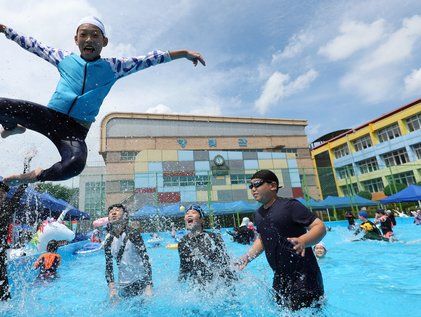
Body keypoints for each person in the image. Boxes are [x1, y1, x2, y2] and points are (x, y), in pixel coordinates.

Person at [0, 17, 205, 185]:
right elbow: (34, 46)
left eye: (95, 35)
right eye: (84, 35)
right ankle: (12, 127)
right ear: (76, 39)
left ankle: (35, 176)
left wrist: (183, 53)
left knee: (75, 164)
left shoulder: (115, 67)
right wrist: (6, 30)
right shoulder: (64, 58)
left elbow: (148, 59)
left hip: (74, 131)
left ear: (104, 42)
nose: (89, 39)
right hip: (49, 117)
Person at [238, 170, 326, 311]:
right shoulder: (258, 214)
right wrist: (247, 258)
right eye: (251, 186)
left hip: (305, 276)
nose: (253, 189)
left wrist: (303, 240)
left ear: (272, 186)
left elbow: (319, 226)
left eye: (257, 184)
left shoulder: (290, 206)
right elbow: (263, 238)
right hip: (280, 278)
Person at [178, 204, 236, 286]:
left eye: (193, 213)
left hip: (216, 284)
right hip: (197, 286)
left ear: (202, 220)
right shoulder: (183, 242)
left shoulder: (213, 238)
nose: (189, 215)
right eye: (187, 213)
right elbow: (184, 268)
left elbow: (225, 264)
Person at [104, 204, 153, 300]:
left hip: (140, 282)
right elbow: (108, 266)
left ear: (125, 215)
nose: (113, 213)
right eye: (110, 212)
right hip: (123, 286)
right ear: (108, 218)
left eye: (117, 210)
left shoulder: (133, 234)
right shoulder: (108, 241)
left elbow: (145, 259)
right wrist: (112, 288)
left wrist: (149, 286)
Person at [0, 181, 27, 300]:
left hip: (0, 255)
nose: (1, 194)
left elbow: (18, 195)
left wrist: (26, 175)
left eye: (3, 193)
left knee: (3, 287)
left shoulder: (7, 209)